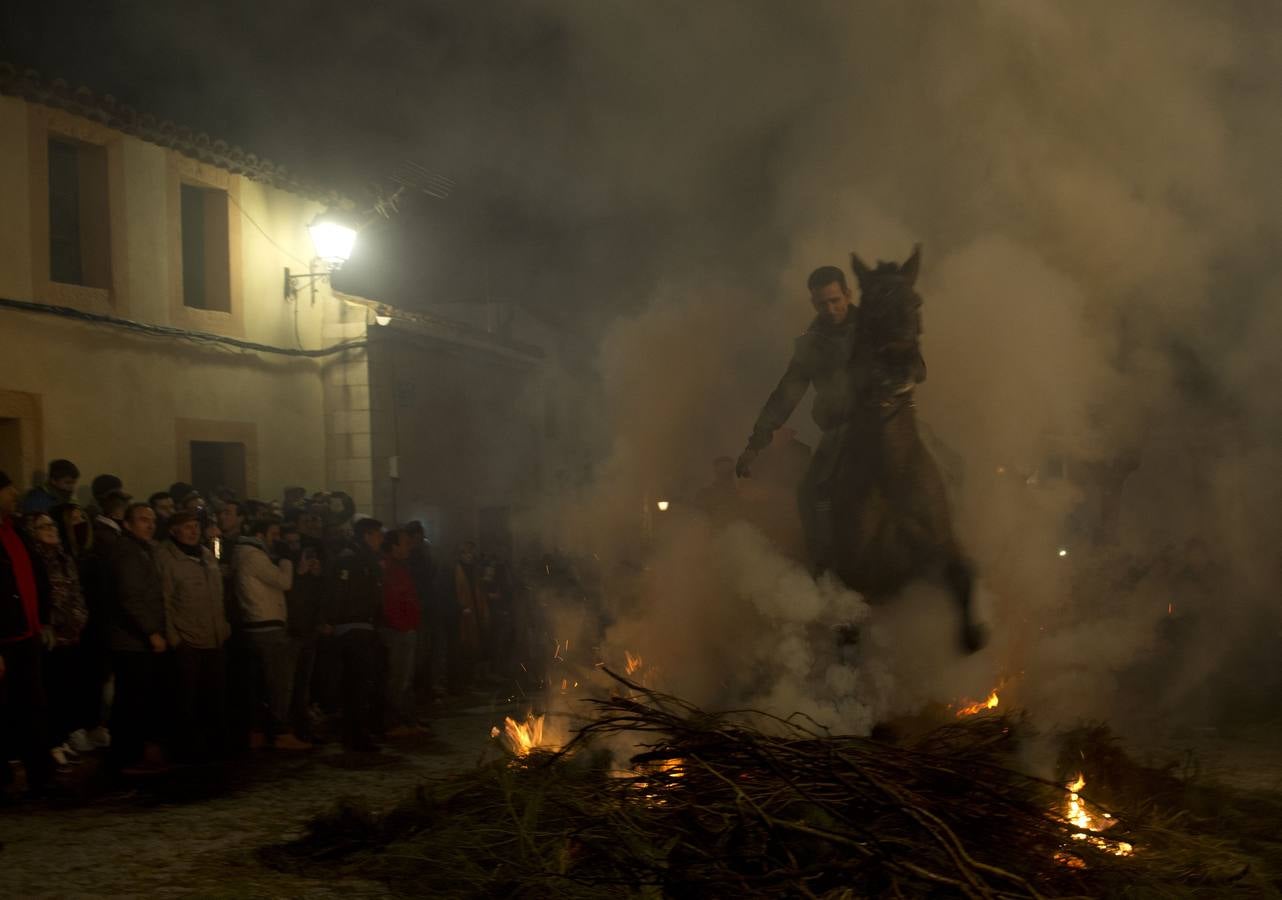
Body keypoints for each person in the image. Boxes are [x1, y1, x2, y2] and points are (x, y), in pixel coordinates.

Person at [736, 265, 861, 575]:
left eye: (835, 300)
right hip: (840, 431)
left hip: (884, 420)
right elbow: (785, 396)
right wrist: (756, 444)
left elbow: (911, 364)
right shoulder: (810, 346)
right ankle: (824, 571)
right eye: (822, 303)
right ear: (813, 303)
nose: (830, 309)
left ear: (848, 294)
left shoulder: (876, 327)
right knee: (810, 492)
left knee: (947, 464)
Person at [156, 511, 230, 761]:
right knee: (187, 698)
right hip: (188, 640)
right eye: (187, 527)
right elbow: (164, 600)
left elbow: (218, 594)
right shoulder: (167, 559)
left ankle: (212, 746)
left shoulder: (207, 555)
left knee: (214, 696)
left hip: (214, 637)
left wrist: (223, 625)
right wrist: (174, 638)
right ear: (174, 530)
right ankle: (186, 749)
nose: (193, 531)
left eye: (196, 526)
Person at [0, 471, 54, 797]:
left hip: (26, 634)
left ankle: (40, 775)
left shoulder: (14, 529)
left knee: (33, 707)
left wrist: (44, 620)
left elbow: (35, 575)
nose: (16, 493)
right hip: (4, 639)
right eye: (9, 489)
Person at [234, 516, 309, 751]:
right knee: (278, 683)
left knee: (259, 684)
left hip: (256, 624)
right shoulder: (254, 556)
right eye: (274, 535)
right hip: (266, 625)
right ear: (260, 535)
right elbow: (283, 582)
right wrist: (286, 559)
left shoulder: (244, 554)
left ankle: (258, 732)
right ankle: (279, 732)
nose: (276, 540)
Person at [24, 512, 90, 768]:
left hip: (71, 633)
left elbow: (75, 589)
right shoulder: (36, 559)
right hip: (51, 635)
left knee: (67, 688)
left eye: (51, 524)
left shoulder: (64, 556)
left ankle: (62, 736)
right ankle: (50, 741)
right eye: (42, 526)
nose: (50, 529)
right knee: (52, 687)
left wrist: (80, 617)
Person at [108, 502, 168, 773]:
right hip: (131, 640)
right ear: (128, 524)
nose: (150, 524)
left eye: (152, 520)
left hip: (138, 638)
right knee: (131, 700)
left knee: (140, 698)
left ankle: (135, 752)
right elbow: (131, 597)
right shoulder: (128, 552)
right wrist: (151, 632)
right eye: (143, 520)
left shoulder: (145, 550)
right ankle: (126, 756)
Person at [326, 518, 386, 751]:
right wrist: (332, 619)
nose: (381, 539)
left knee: (360, 683)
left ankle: (357, 732)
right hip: (353, 626)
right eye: (378, 534)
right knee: (356, 683)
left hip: (363, 625)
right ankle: (355, 734)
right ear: (367, 535)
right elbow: (339, 592)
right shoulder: (351, 559)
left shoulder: (364, 559)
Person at [380, 528, 424, 734]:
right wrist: (402, 625)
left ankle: (407, 719)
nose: (410, 547)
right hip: (397, 630)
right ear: (394, 546)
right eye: (405, 543)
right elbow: (390, 601)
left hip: (406, 627)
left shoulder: (400, 567)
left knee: (405, 676)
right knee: (398, 677)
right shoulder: (388, 567)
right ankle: (394, 722)